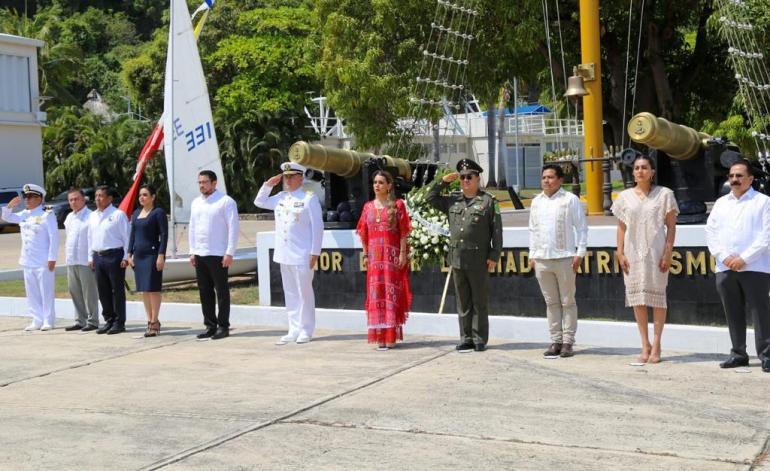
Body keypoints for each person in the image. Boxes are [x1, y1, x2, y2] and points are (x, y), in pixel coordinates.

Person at [426, 159, 502, 353]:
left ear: (478, 179)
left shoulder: (488, 202)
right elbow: (430, 197)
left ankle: (479, 339)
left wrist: (494, 255)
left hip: (479, 259)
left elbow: (497, 232)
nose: (465, 180)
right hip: (458, 258)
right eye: (462, 177)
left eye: (469, 177)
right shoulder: (453, 200)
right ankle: (465, 337)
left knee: (479, 301)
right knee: (463, 302)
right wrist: (443, 181)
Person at [611, 155, 678, 364]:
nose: (640, 171)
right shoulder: (624, 197)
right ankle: (644, 344)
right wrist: (619, 252)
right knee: (638, 299)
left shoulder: (665, 194)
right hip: (632, 253)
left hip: (656, 253)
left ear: (652, 172)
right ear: (633, 173)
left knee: (658, 298)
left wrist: (668, 252)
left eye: (644, 167)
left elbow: (671, 227)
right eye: (637, 168)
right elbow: (621, 226)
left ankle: (657, 345)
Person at [705, 159, 770, 372]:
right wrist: (724, 257)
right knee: (732, 311)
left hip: (755, 266)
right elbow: (711, 233)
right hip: (725, 268)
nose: (734, 179)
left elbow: (766, 237)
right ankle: (738, 353)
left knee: (760, 311)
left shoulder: (763, 202)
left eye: (739, 175)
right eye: (732, 176)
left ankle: (766, 354)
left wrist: (744, 259)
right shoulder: (721, 203)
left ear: (750, 179)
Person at [254, 162, 323, 345]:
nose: (288, 180)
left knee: (304, 293)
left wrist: (315, 251)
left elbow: (318, 227)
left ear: (301, 178)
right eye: (286, 176)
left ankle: (306, 329)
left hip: (302, 253)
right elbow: (259, 202)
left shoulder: (309, 198)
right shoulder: (280, 197)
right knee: (290, 293)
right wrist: (268, 185)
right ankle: (293, 329)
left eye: (292, 176)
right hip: (284, 254)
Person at [528, 165, 587, 358]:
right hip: (542, 259)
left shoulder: (570, 200)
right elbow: (532, 230)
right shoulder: (536, 201)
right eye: (544, 177)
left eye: (551, 177)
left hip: (565, 258)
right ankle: (555, 340)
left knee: (567, 301)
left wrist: (580, 253)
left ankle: (568, 342)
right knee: (551, 302)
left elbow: (582, 228)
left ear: (560, 180)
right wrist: (532, 254)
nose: (546, 180)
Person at [356, 170, 412, 350]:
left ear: (389, 185)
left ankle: (391, 335)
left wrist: (403, 253)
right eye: (375, 182)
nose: (377, 185)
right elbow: (363, 233)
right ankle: (379, 335)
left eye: (381, 182)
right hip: (374, 259)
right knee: (376, 294)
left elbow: (404, 232)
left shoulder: (397, 205)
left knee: (390, 295)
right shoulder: (368, 207)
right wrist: (365, 254)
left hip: (392, 259)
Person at [1, 184, 59, 331]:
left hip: (43, 260)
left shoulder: (47, 213)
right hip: (27, 260)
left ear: (39, 198)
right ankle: (36, 320)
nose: (26, 199)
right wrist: (10, 205)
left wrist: (52, 258)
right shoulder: (24, 214)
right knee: (31, 292)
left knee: (46, 292)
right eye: (25, 197)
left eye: (30, 197)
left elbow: (54, 237)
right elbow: (6, 217)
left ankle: (48, 320)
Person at [189, 170, 239, 340]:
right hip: (200, 253)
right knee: (204, 291)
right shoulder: (196, 203)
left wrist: (229, 252)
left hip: (218, 253)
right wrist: (192, 251)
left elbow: (233, 228)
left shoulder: (226, 202)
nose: (202, 185)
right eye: (200, 182)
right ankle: (210, 325)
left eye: (205, 182)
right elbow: (193, 228)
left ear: (214, 183)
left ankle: (223, 326)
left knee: (221, 291)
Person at [88, 186, 130, 335]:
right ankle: (109, 320)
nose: (97, 199)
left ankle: (119, 322)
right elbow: (90, 237)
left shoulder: (118, 215)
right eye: (96, 196)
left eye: (101, 196)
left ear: (109, 198)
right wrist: (90, 257)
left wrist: (126, 257)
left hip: (115, 256)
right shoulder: (93, 215)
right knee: (103, 290)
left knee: (117, 290)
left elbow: (127, 238)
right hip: (98, 256)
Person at [128, 185, 168, 337]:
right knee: (144, 289)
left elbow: (164, 235)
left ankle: (154, 320)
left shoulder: (158, 213)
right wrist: (129, 254)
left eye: (145, 195)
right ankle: (149, 319)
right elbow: (133, 234)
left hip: (152, 255)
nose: (141, 197)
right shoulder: (136, 213)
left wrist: (161, 255)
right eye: (140, 195)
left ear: (153, 197)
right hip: (139, 256)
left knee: (153, 289)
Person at [63, 188, 100, 332]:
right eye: (71, 200)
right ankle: (80, 320)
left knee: (89, 292)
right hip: (71, 260)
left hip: (85, 260)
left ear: (83, 199)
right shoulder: (69, 217)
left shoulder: (91, 216)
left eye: (76, 199)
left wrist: (92, 257)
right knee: (75, 291)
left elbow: (93, 239)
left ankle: (93, 320)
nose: (73, 202)